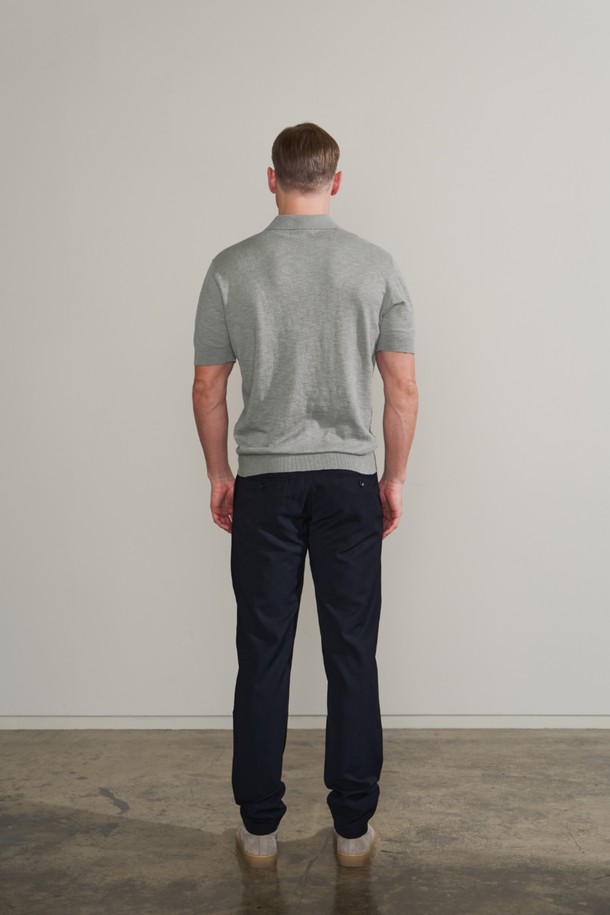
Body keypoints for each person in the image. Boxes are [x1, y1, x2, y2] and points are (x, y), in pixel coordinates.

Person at [192, 122, 418, 868]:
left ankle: (259, 831)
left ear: (272, 178)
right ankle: (353, 830)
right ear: (336, 180)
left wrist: (219, 474)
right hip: (350, 483)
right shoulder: (375, 266)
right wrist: (393, 477)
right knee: (352, 653)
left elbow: (207, 386)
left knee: (262, 653)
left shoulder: (232, 268)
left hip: (265, 482)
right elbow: (403, 388)